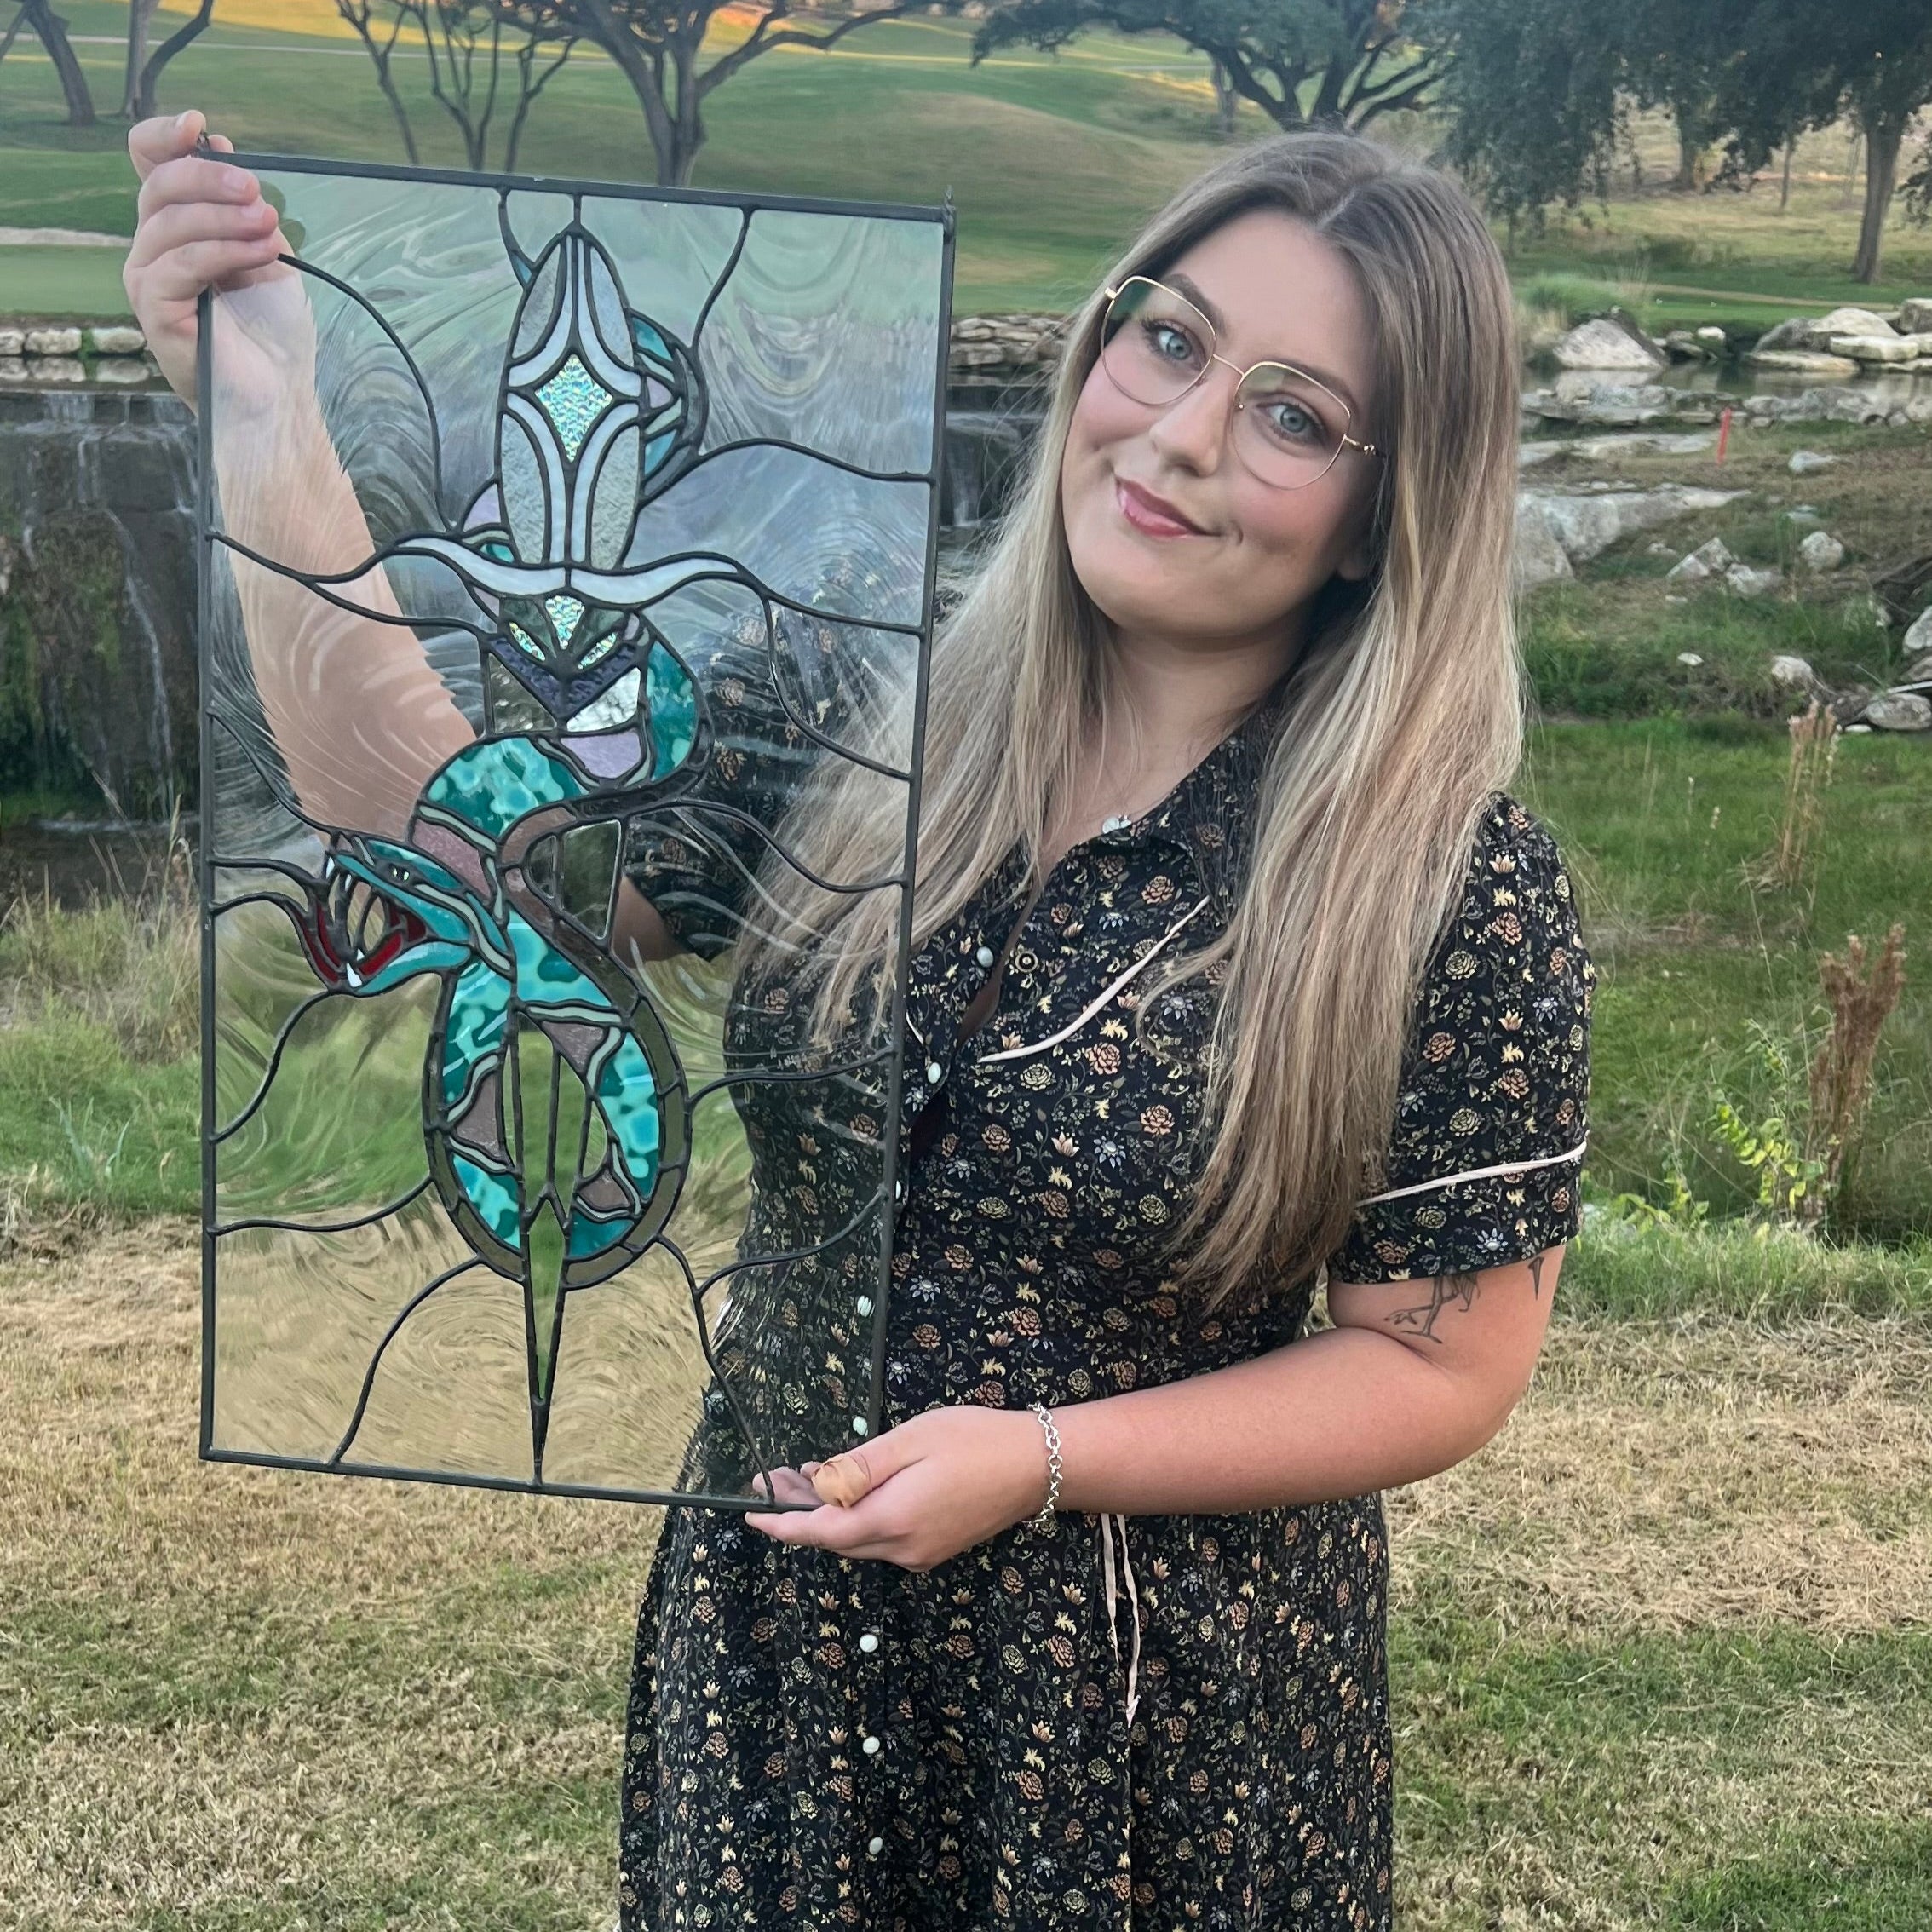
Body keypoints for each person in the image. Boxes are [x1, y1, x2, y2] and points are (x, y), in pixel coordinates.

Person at [126, 109, 1592, 1931]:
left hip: (1149, 1710)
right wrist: (269, 412)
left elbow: (1442, 1366)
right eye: (1169, 338)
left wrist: (1039, 1463)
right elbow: (461, 852)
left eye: (1295, 416)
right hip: (784, 1653)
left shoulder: (1442, 884)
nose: (1182, 435)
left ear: (1389, 512)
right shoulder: (848, 713)